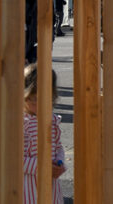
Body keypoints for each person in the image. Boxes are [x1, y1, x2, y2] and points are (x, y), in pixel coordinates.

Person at [22, 63, 65, 204]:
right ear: (24, 96)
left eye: (46, 99)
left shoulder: (51, 120)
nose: (39, 104)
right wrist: (42, 166)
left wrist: (60, 162)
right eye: (34, 99)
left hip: (51, 186)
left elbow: (58, 146)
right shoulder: (21, 123)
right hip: (27, 187)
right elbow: (14, 158)